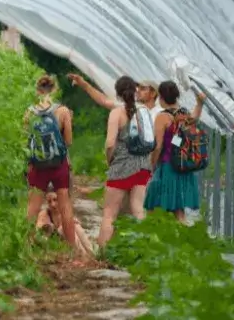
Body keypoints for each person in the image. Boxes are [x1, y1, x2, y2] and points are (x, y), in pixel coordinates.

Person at [96, 76, 153, 247]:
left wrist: (110, 160)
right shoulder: (144, 111)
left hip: (121, 167)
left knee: (109, 214)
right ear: (135, 91)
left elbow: (110, 143)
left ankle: (102, 252)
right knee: (138, 210)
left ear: (118, 94)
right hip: (142, 166)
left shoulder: (116, 113)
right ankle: (144, 249)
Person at [25, 75, 77, 256]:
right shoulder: (62, 111)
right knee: (65, 206)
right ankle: (71, 250)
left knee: (32, 208)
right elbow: (68, 141)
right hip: (59, 165)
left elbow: (25, 140)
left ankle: (26, 250)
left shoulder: (30, 112)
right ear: (54, 90)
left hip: (37, 165)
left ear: (38, 90)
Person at [144, 80, 206, 223]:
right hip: (183, 167)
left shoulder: (162, 117)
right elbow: (195, 117)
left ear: (161, 97)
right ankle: (182, 239)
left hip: (167, 168)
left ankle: (154, 239)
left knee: (153, 207)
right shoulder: (183, 114)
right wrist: (200, 103)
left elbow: (158, 146)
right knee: (179, 211)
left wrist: (152, 165)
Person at [67, 74, 162, 121]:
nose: (138, 90)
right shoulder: (133, 107)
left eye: (143, 88)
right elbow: (105, 101)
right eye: (138, 87)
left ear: (153, 94)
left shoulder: (160, 113)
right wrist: (85, 85)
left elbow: (174, 138)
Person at [36, 189, 94, 257]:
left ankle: (91, 254)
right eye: (49, 202)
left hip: (68, 240)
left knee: (75, 226)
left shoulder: (66, 211)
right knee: (63, 228)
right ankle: (83, 256)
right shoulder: (44, 214)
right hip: (53, 242)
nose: (53, 204)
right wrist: (47, 227)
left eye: (55, 200)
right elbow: (38, 230)